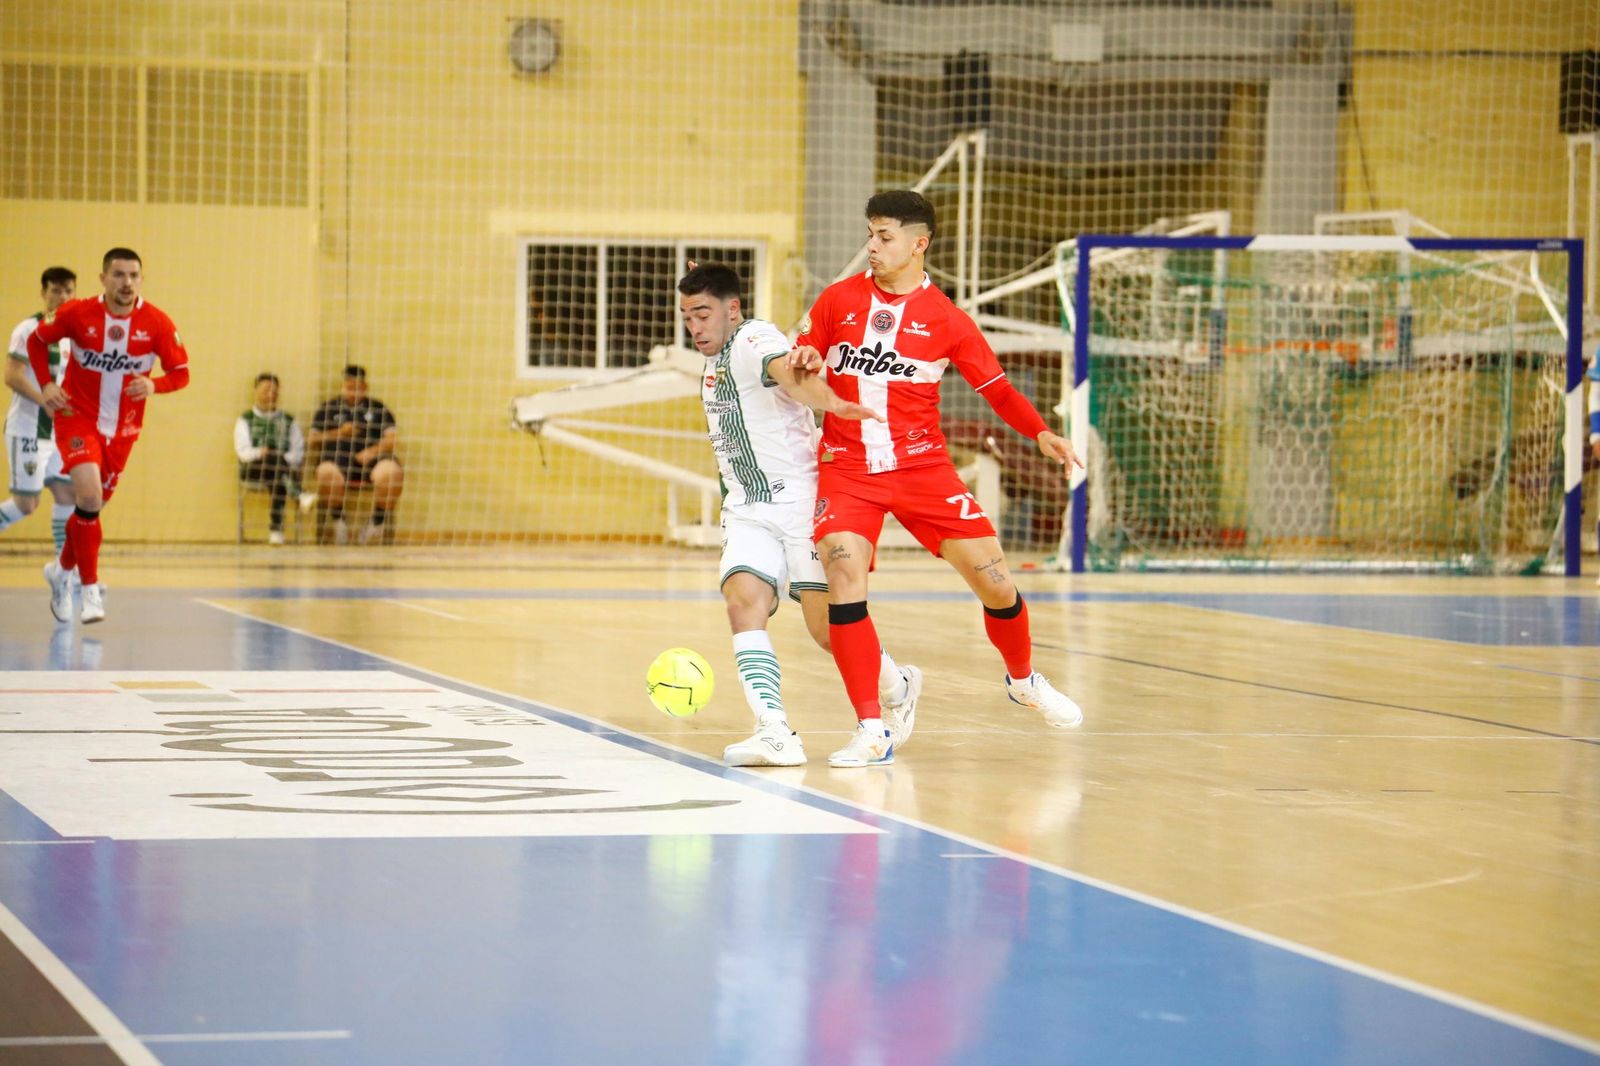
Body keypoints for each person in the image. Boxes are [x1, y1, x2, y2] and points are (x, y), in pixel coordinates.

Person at [788, 190, 1085, 768]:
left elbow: (995, 388)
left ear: (918, 244)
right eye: (870, 234)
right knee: (843, 569)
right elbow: (802, 358)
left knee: (997, 583)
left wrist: (1040, 432)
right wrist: (804, 362)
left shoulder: (947, 320)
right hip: (848, 470)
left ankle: (1023, 680)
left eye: (885, 236)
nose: (871, 246)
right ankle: (872, 728)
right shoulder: (836, 301)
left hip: (924, 470)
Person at [678, 263, 922, 767]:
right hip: (747, 507)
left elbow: (789, 373)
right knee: (742, 602)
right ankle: (774, 731)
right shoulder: (714, 357)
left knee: (826, 631)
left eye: (703, 314)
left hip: (803, 502)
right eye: (686, 317)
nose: (694, 327)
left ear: (733, 308)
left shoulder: (752, 339)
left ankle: (897, 685)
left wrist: (831, 401)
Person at [30, 248, 191, 624]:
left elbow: (181, 372)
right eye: (118, 275)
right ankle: (89, 590)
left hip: (123, 428)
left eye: (134, 275)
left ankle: (60, 571)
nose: (126, 283)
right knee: (87, 495)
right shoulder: (76, 313)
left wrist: (154, 387)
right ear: (103, 279)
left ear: (141, 279)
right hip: (76, 415)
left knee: (91, 510)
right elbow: (38, 342)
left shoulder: (158, 323)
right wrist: (47, 384)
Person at [2, 267, 78, 553]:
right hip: (28, 430)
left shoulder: (72, 335)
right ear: (43, 293)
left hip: (60, 432)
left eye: (68, 290)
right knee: (26, 504)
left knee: (68, 494)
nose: (62, 296)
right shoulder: (28, 329)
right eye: (56, 290)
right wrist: (43, 399)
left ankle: (64, 570)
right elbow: (12, 375)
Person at [307, 364, 403, 545]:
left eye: (357, 388)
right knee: (326, 473)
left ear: (365, 387)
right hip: (337, 459)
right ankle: (338, 521)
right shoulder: (328, 408)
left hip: (372, 460)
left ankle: (376, 522)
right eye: (349, 387)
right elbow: (312, 440)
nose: (353, 392)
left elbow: (393, 439)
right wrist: (339, 433)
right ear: (342, 386)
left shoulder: (378, 408)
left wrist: (372, 451)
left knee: (392, 473)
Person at [234, 371, 308, 545]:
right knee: (272, 463)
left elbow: (298, 451)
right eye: (266, 389)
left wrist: (280, 457)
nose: (271, 394)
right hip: (253, 469)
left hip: (281, 470)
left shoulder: (289, 420)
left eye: (275, 390)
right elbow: (242, 452)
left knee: (276, 474)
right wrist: (260, 452)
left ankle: (276, 531)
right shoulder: (245, 420)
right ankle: (299, 494)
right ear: (256, 391)